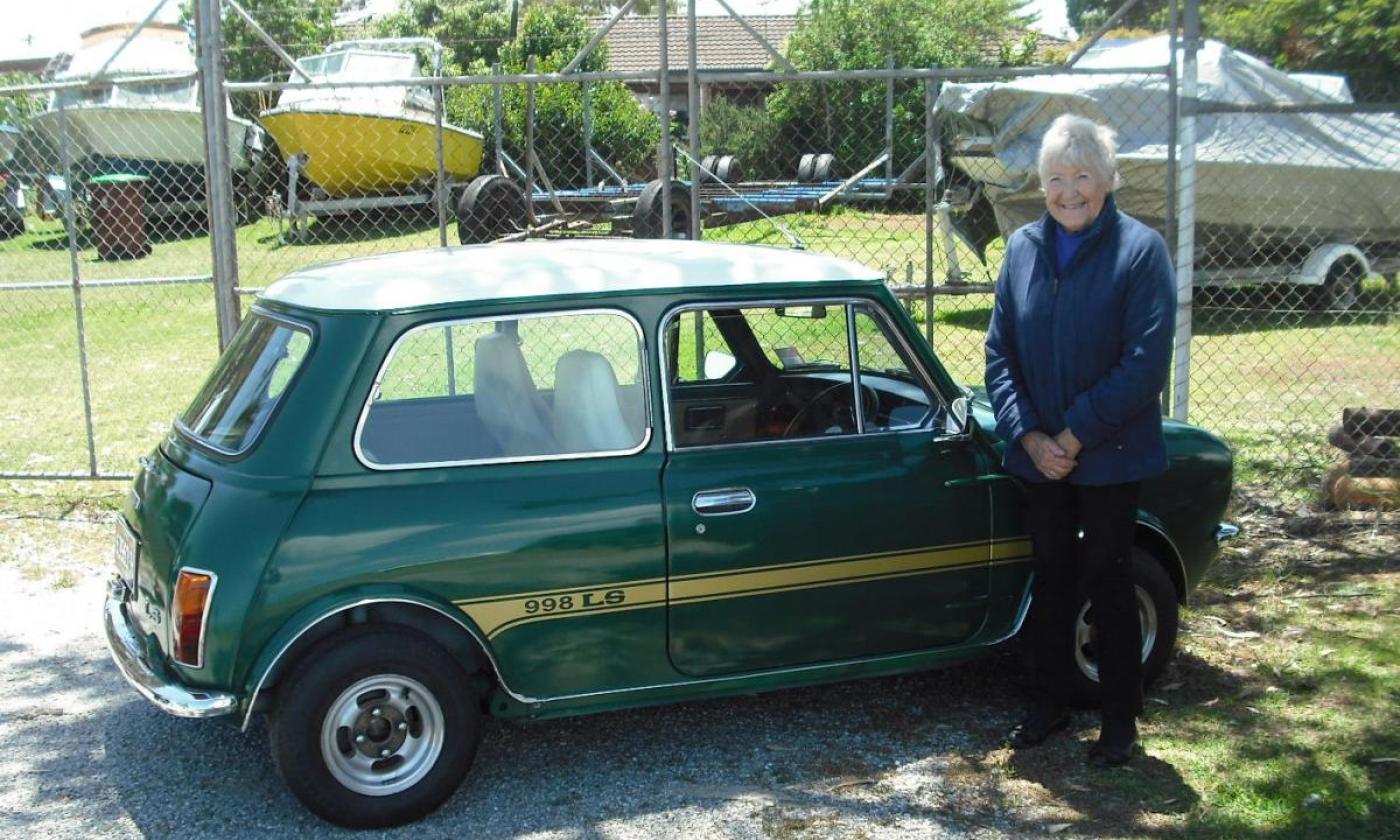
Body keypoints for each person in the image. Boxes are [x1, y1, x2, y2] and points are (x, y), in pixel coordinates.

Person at [984, 113, 1175, 767]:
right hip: (1040, 457)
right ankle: (1049, 704)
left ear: (1109, 180)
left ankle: (1119, 720)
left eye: (1083, 176)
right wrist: (1031, 437)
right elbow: (998, 355)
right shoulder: (1022, 250)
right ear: (1043, 185)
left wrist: (1073, 433)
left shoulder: (1141, 251)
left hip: (1111, 456)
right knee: (1052, 575)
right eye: (1057, 178)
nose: (1069, 191)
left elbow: (1145, 362)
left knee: (1110, 578)